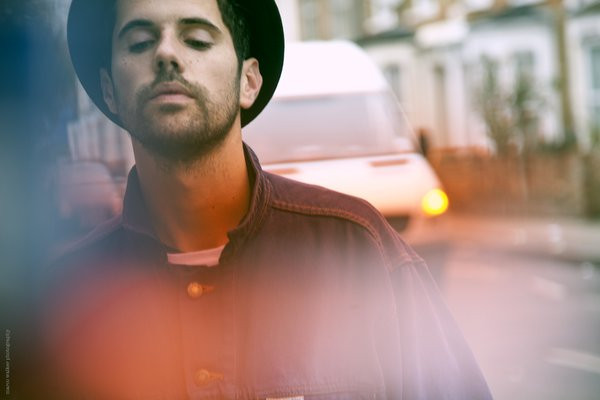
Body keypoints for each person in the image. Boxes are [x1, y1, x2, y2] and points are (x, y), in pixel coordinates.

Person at [35, 0, 493, 399]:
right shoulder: (62, 301)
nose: (166, 54)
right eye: (139, 43)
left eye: (196, 39)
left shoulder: (361, 252)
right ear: (110, 90)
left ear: (248, 81)